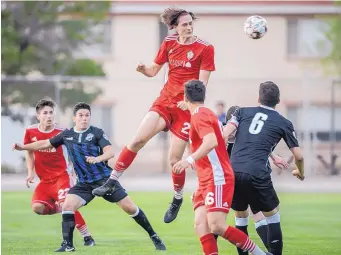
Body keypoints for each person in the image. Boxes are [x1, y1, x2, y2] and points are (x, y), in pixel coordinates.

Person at [92, 7, 215, 224]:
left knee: (174, 159)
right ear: (174, 27)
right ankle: (112, 180)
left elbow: (202, 85)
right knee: (138, 140)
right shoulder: (169, 43)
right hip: (165, 102)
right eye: (183, 24)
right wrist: (142, 69)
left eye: (189, 23)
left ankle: (177, 198)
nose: (188, 27)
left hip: (185, 110)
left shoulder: (205, 48)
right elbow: (153, 71)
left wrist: (189, 104)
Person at [13, 102, 166, 252]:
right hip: (84, 184)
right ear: (74, 118)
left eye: (87, 115)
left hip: (105, 180)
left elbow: (110, 152)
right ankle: (68, 244)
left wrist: (97, 159)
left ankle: (154, 236)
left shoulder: (97, 132)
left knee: (130, 208)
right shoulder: (67, 135)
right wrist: (23, 147)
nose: (84, 118)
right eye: (81, 115)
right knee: (67, 206)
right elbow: (44, 144)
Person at [173, 80, 272, 255]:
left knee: (217, 225)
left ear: (185, 96)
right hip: (206, 179)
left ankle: (261, 254)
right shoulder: (203, 112)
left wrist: (188, 160)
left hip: (217, 177)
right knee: (200, 225)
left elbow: (211, 142)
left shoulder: (199, 116)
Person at [223, 81, 305, 255]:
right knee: (272, 216)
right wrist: (300, 172)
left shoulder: (242, 112)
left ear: (258, 98)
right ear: (279, 101)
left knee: (241, 219)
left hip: (234, 171)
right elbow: (299, 156)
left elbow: (224, 135)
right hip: (258, 173)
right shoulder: (284, 122)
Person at [23, 99, 95, 247]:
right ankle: (60, 208)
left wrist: (75, 173)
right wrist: (30, 173)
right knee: (37, 208)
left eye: (51, 113)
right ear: (38, 116)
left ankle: (87, 237)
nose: (49, 116)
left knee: (67, 205)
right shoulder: (30, 131)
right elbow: (28, 151)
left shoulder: (62, 132)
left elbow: (74, 153)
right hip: (44, 180)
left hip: (61, 177)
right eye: (45, 113)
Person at [225, 105, 290, 255]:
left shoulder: (243, 135)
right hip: (235, 179)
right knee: (239, 218)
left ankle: (270, 251)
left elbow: (259, 143)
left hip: (254, 177)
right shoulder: (225, 137)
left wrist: (274, 157)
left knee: (257, 215)